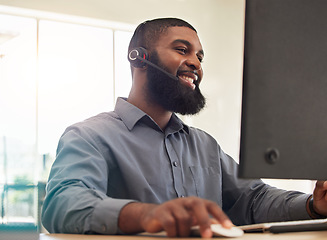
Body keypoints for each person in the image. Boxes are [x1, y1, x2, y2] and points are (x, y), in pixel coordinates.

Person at [41, 18, 327, 238]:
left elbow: (254, 199)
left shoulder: (205, 145)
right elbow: (62, 204)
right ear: (139, 58)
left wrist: (313, 205)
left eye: (200, 57)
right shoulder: (89, 136)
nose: (196, 63)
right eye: (182, 49)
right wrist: (146, 216)